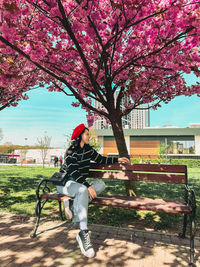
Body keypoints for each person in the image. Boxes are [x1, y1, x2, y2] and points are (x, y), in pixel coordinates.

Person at [55, 123, 130, 258]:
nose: (89, 136)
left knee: (100, 185)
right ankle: (83, 233)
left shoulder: (88, 150)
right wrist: (87, 186)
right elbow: (73, 171)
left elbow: (101, 159)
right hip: (65, 183)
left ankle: (72, 204)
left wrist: (117, 159)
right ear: (80, 136)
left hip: (79, 184)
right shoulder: (71, 151)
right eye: (87, 134)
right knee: (84, 190)